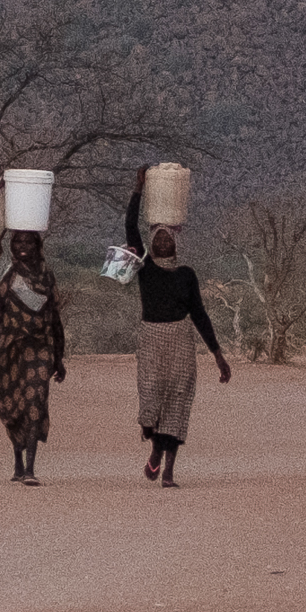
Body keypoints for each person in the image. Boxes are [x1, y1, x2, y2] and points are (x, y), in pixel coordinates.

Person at [122, 175, 233, 486]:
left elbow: (199, 314)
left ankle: (168, 469)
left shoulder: (186, 274)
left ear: (175, 242)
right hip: (151, 339)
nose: (161, 241)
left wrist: (218, 356)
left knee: (178, 401)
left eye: (166, 237)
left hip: (182, 339)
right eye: (156, 238)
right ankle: (153, 441)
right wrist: (138, 188)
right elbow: (131, 226)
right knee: (151, 400)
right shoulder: (145, 269)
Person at [0, 228, 67, 484]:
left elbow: (55, 319)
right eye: (17, 241)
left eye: (28, 241)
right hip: (11, 348)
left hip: (40, 348)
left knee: (35, 404)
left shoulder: (47, 277)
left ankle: (31, 469)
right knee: (13, 405)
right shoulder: (6, 271)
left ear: (37, 245)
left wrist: (59, 358)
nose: (22, 245)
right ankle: (18, 462)